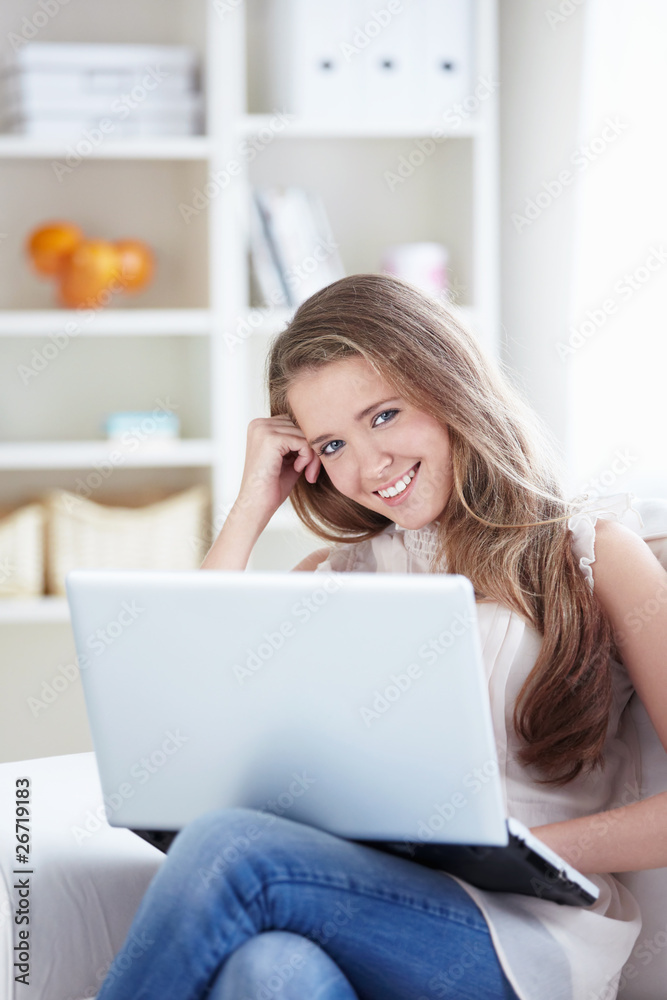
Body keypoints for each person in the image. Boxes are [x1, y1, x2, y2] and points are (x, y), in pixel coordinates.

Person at [95, 274, 667, 1000]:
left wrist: (522, 851)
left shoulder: (590, 556)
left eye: (385, 415)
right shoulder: (333, 576)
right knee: (270, 973)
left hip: (531, 934)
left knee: (232, 849)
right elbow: (184, 732)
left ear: (449, 388)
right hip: (373, 912)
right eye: (332, 443)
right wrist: (247, 510)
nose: (368, 467)